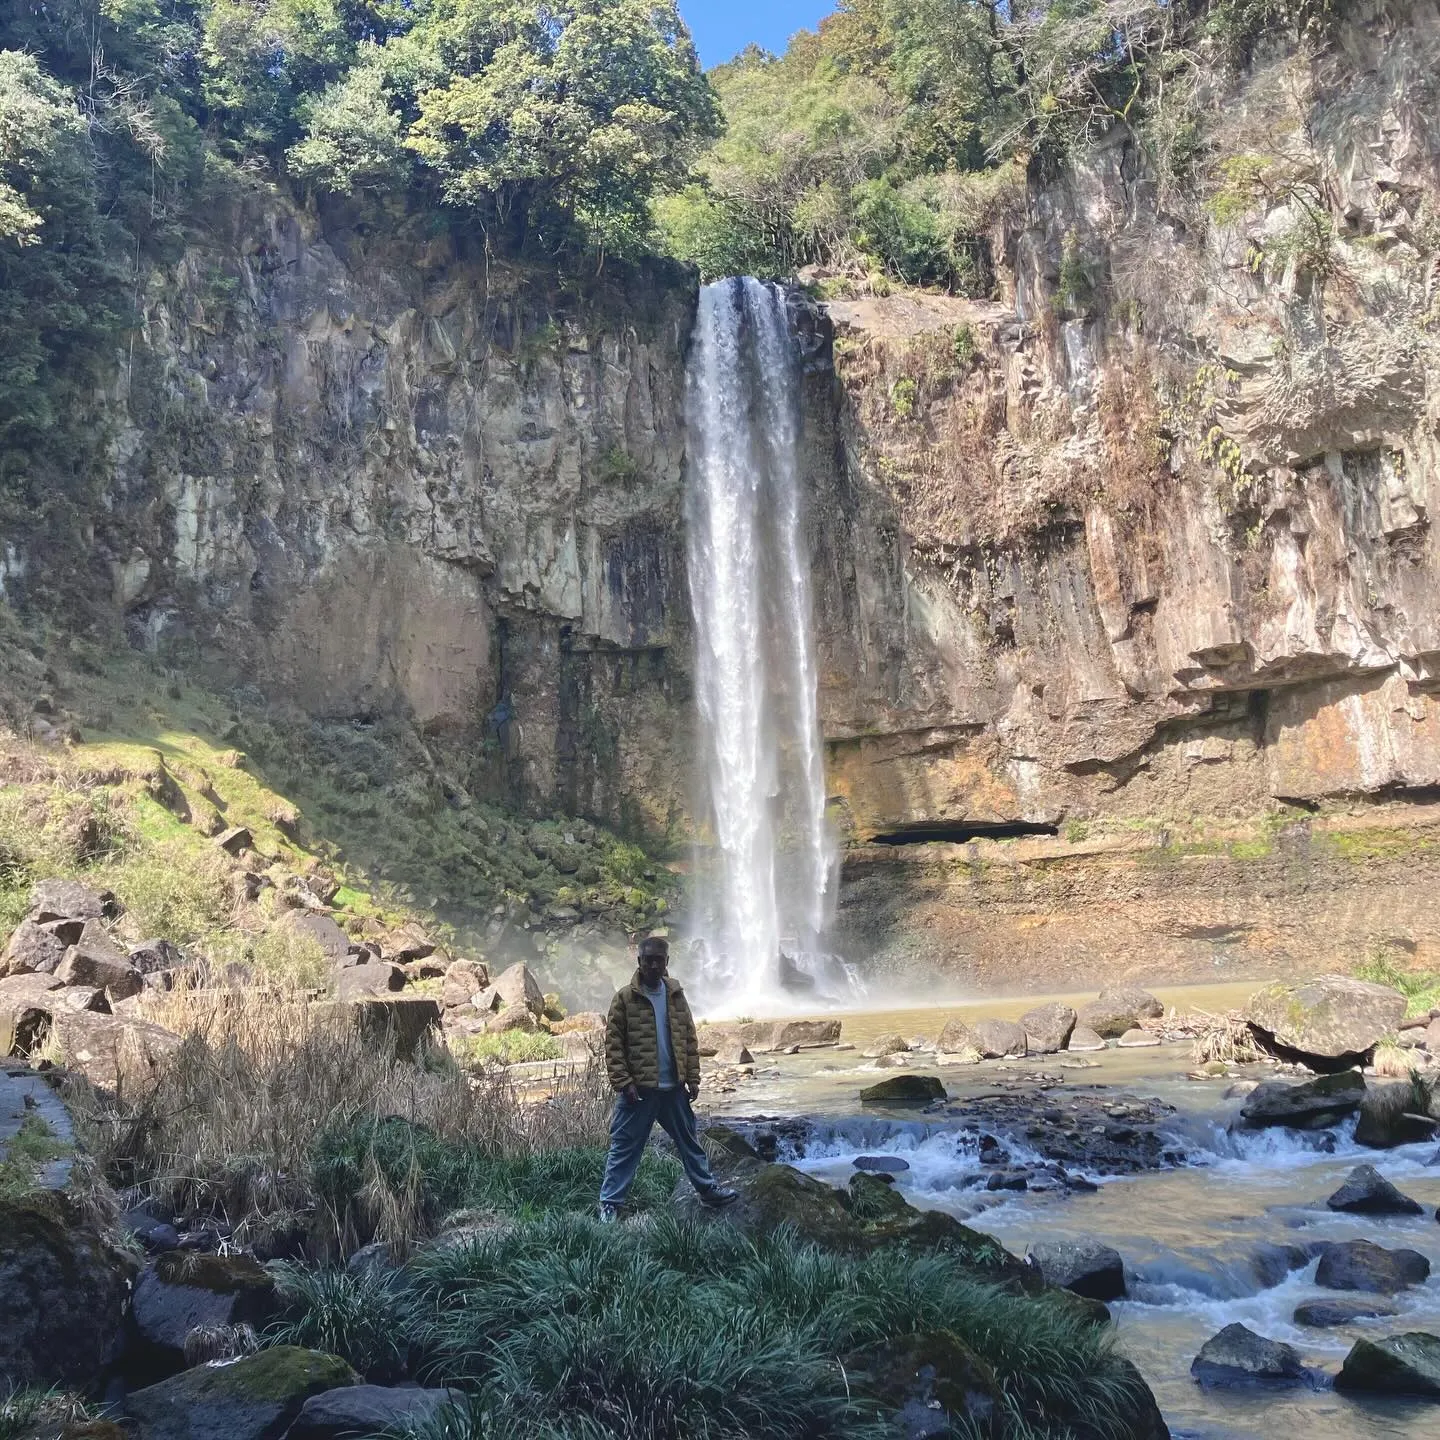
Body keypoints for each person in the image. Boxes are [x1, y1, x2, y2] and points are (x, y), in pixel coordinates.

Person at [598, 935, 738, 1220]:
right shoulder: (624, 998)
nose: (652, 965)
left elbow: (689, 1037)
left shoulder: (676, 994)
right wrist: (624, 1083)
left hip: (673, 1087)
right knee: (625, 1146)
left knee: (689, 1141)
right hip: (639, 1090)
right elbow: (613, 1046)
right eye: (647, 959)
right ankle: (610, 1204)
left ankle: (708, 1191)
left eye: (658, 960)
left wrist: (694, 1077)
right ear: (639, 961)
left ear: (666, 963)